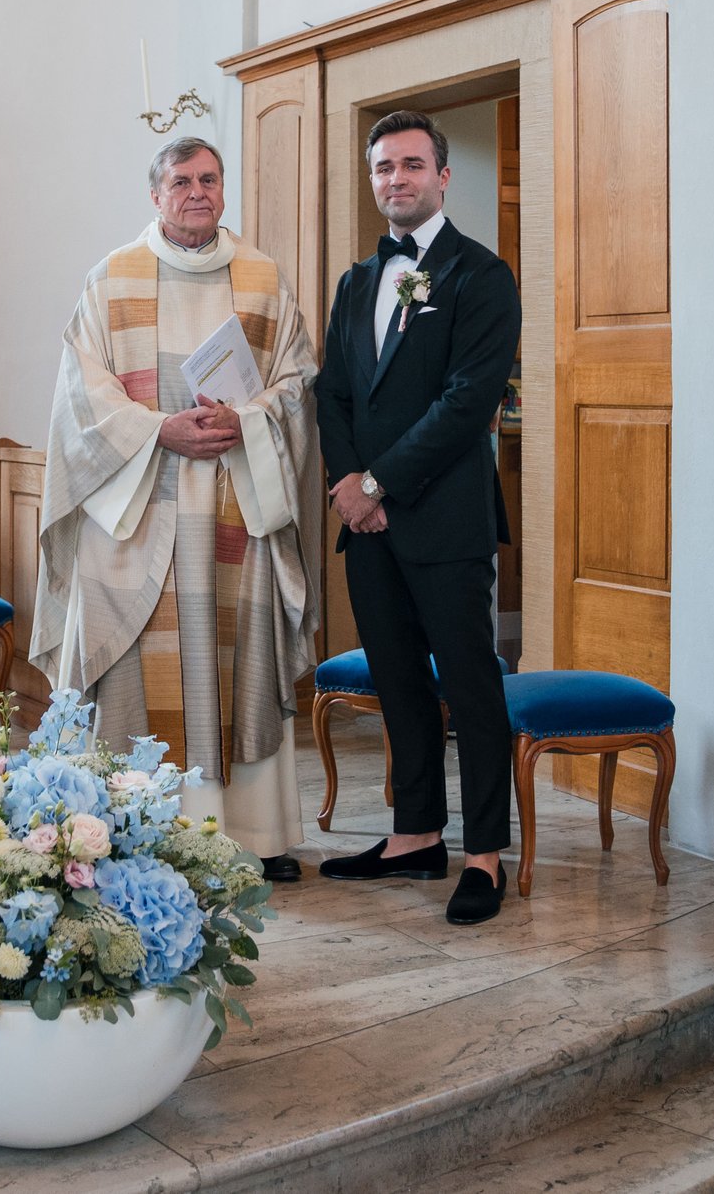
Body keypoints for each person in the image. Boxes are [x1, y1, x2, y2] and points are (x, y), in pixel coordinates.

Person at [30, 138, 322, 878]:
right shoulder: (110, 279)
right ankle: (133, 832)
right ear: (155, 195)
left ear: (224, 190)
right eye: (182, 181)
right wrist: (160, 427)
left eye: (210, 179)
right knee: (134, 671)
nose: (198, 192)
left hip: (235, 504)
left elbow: (294, 383)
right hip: (140, 511)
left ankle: (252, 834)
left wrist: (246, 420)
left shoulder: (261, 279)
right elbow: (81, 396)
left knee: (241, 659)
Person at [313, 109, 521, 924]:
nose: (394, 180)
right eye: (382, 169)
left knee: (470, 689)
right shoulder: (357, 282)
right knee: (399, 683)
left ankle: (483, 855)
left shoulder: (481, 274)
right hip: (367, 525)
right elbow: (333, 393)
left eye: (409, 165)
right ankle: (415, 835)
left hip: (444, 519)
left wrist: (380, 482)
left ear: (442, 175)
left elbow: (466, 404)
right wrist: (345, 484)